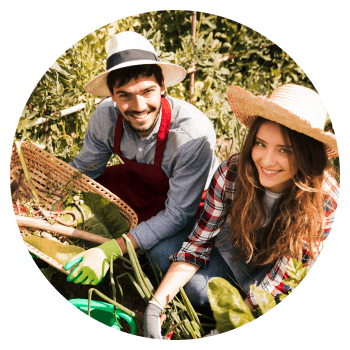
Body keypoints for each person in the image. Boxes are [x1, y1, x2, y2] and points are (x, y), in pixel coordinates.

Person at [143, 83, 339, 339]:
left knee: (214, 298)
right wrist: (155, 305)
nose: (266, 161)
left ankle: (230, 311)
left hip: (282, 278)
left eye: (284, 150)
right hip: (239, 252)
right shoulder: (233, 173)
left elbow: (281, 278)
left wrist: (221, 333)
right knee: (161, 254)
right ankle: (221, 301)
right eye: (261, 144)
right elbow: (199, 242)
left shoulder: (324, 200)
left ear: (307, 155)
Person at [63, 31, 219, 285]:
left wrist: (111, 249)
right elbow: (84, 171)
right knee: (96, 187)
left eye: (147, 91)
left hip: (190, 208)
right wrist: (45, 197)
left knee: (159, 258)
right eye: (124, 95)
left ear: (163, 87)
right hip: (144, 190)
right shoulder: (105, 118)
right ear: (111, 96)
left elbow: (178, 214)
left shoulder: (191, 134)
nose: (138, 106)